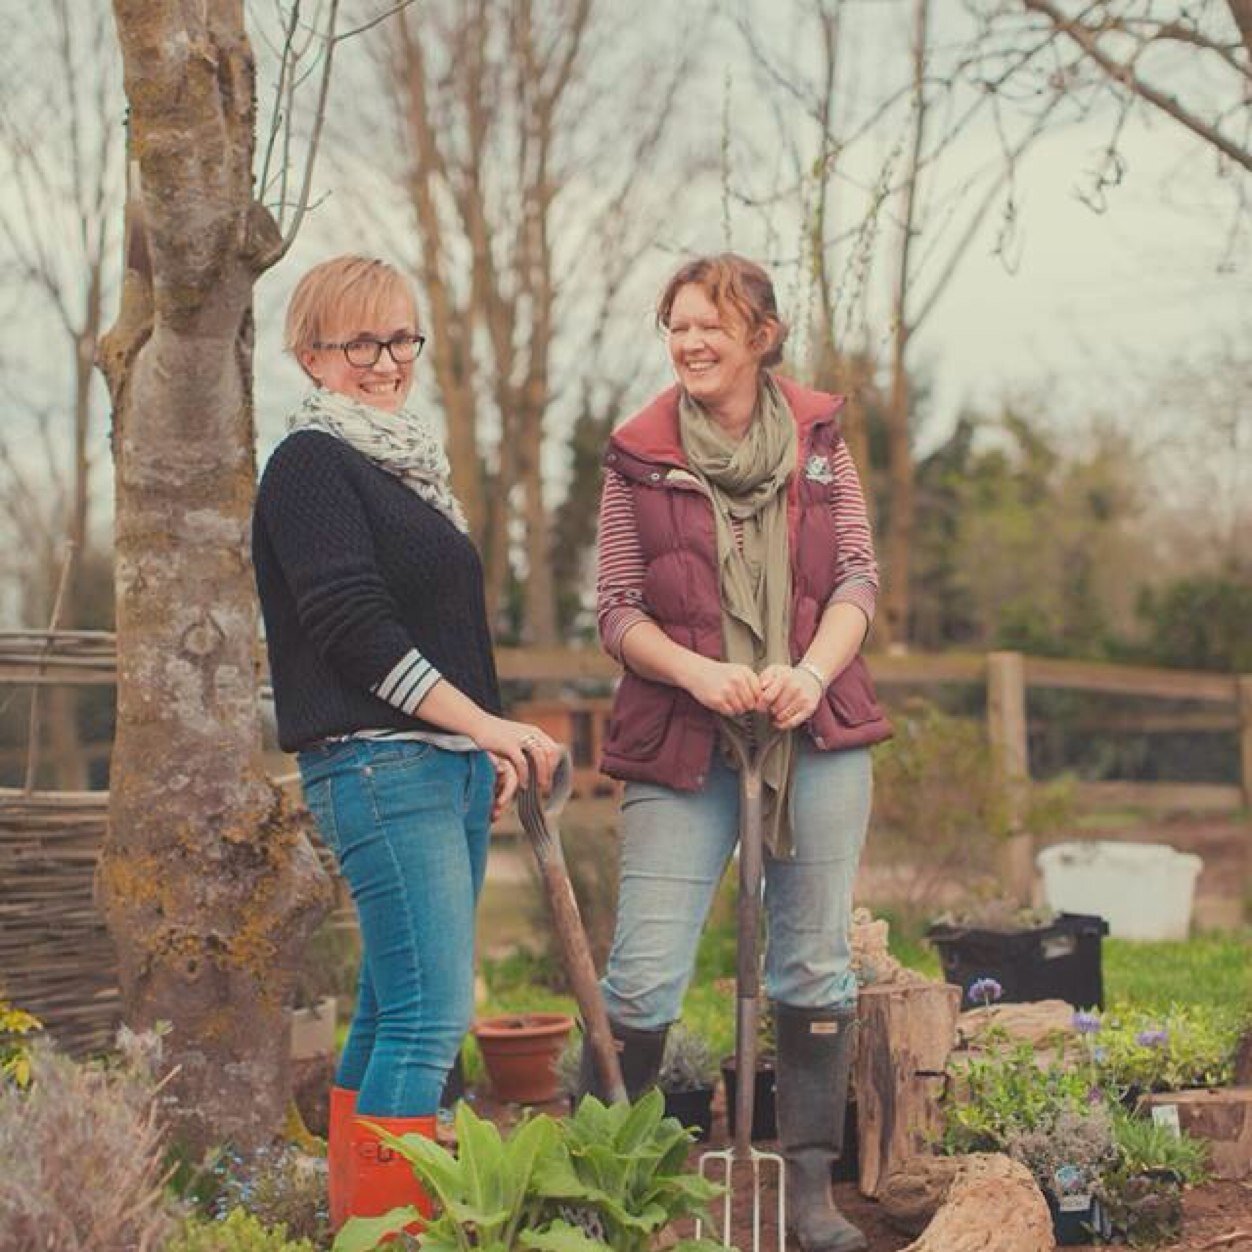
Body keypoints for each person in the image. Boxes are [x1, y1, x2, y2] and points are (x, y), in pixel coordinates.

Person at [252, 255, 561, 1233]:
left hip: (437, 766)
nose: (387, 360)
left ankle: (358, 1222)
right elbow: (352, 625)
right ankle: (397, 1235)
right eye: (360, 343)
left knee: (392, 1011)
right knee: (429, 1023)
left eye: (401, 337)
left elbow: (445, 631)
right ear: (311, 355)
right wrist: (482, 724)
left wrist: (485, 750)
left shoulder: (399, 468)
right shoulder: (308, 463)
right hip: (379, 766)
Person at [590, 253, 891, 1252]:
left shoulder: (820, 440)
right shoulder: (636, 454)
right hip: (683, 734)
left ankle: (806, 1192)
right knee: (640, 976)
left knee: (811, 963)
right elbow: (617, 608)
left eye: (708, 324)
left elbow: (856, 576)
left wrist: (807, 673)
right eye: (675, 325)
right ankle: (606, 1186)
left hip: (818, 729)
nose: (688, 342)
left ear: (760, 333)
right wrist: (696, 672)